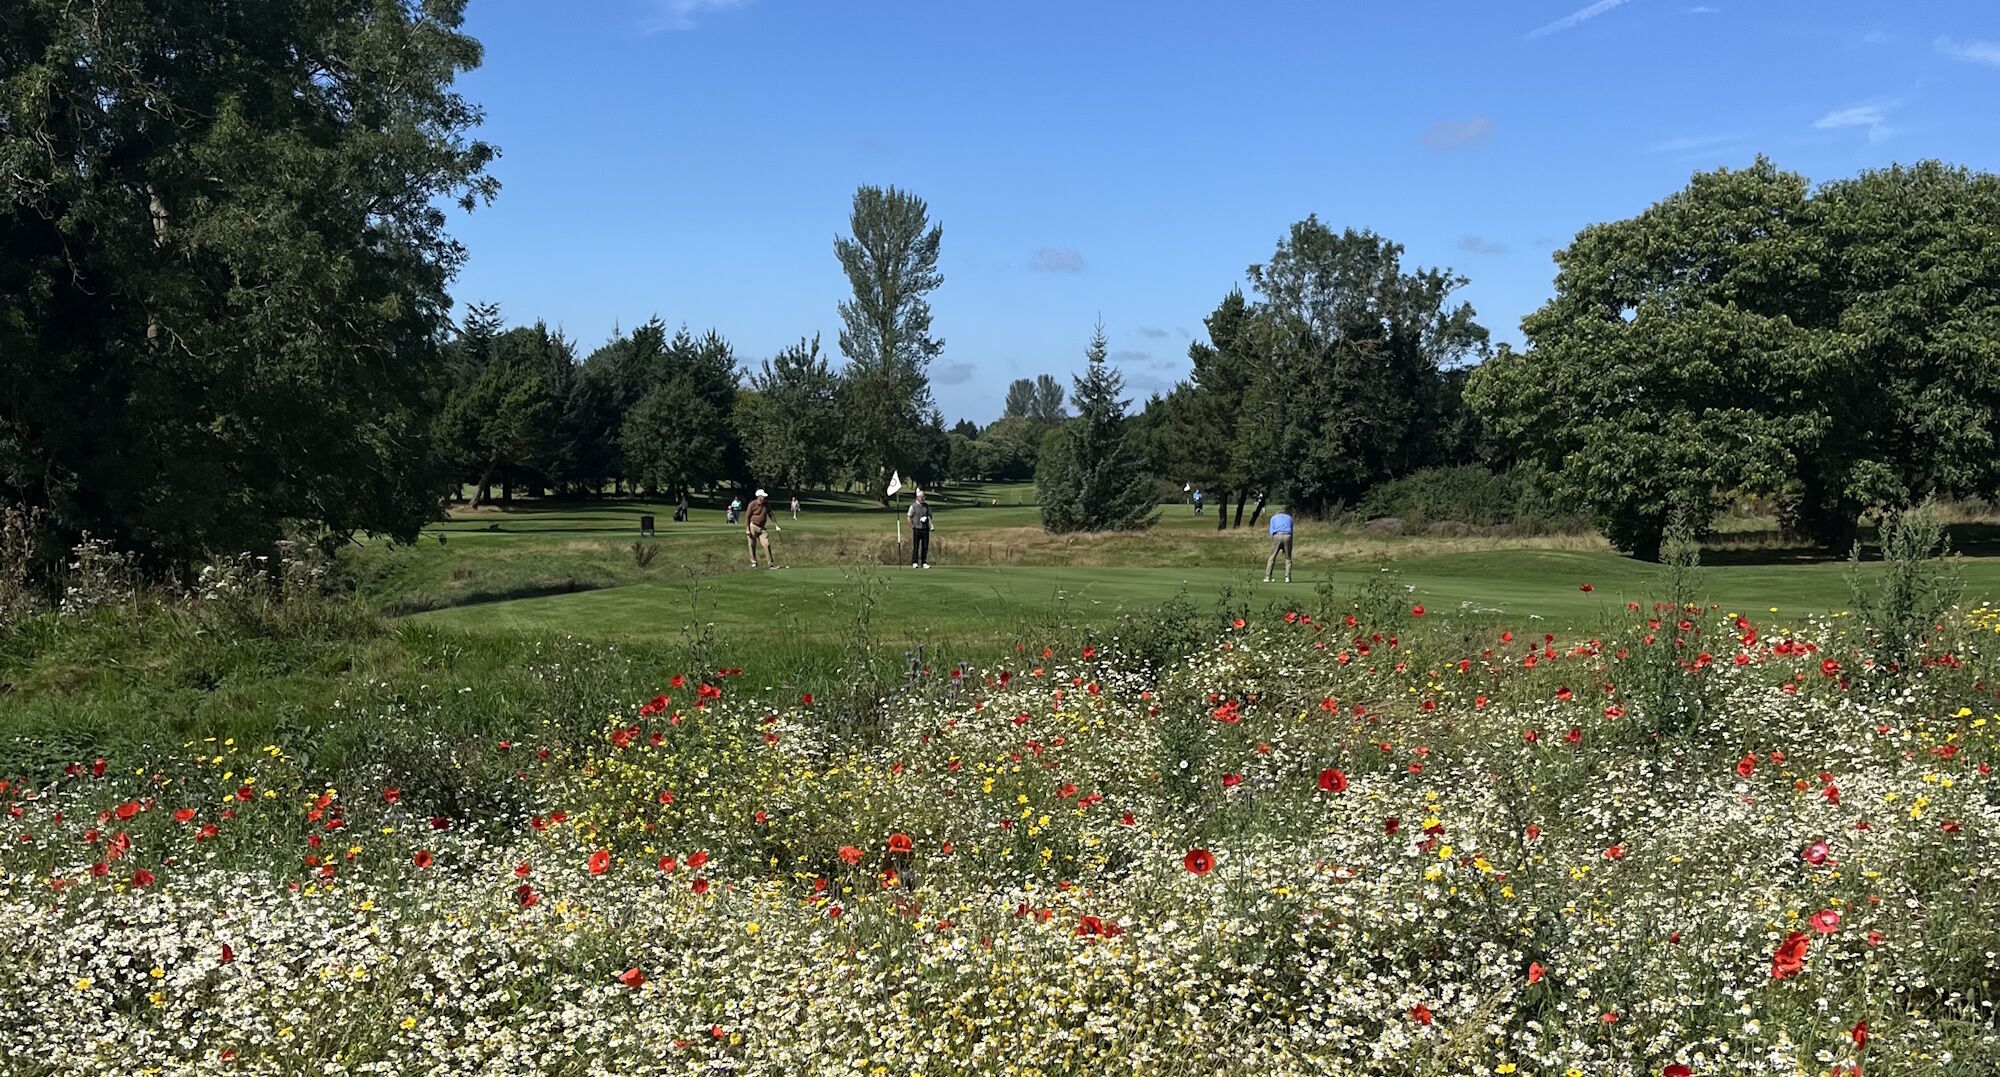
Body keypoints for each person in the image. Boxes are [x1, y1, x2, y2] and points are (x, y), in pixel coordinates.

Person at [745, 489, 777, 568]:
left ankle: (770, 564)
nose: (764, 498)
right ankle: (754, 563)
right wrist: (747, 529)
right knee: (752, 545)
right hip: (753, 526)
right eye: (763, 497)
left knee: (767, 544)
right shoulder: (752, 504)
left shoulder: (766, 504)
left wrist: (776, 525)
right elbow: (747, 517)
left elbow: (771, 514)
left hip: (762, 528)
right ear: (759, 497)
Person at [1265, 506, 1293, 583]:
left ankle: (1267, 577)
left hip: (1277, 535)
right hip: (1288, 536)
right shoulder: (1289, 518)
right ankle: (1287, 577)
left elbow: (1271, 531)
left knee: (1272, 557)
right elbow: (1291, 530)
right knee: (1288, 558)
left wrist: (1273, 541)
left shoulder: (1273, 518)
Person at [906, 489, 934, 568]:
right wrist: (913, 526)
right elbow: (909, 517)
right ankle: (915, 562)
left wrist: (927, 520)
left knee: (925, 546)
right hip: (917, 529)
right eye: (921, 497)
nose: (923, 498)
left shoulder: (927, 506)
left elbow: (930, 516)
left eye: (924, 497)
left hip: (925, 529)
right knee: (916, 546)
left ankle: (924, 562)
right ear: (917, 497)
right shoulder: (913, 506)